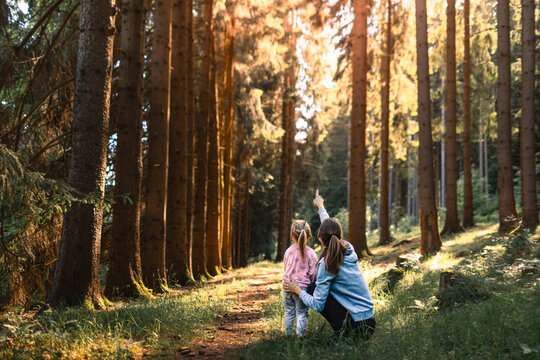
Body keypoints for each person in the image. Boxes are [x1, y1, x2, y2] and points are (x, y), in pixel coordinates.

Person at [283, 190, 376, 339]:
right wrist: (321, 207)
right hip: (369, 322)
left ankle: (344, 335)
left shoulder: (326, 265)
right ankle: (344, 333)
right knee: (318, 287)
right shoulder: (348, 247)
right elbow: (330, 229)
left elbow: (318, 305)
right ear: (340, 235)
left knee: (313, 287)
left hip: (356, 327)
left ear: (319, 237)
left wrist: (298, 290)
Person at [282, 220, 318, 336]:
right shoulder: (311, 253)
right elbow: (314, 274)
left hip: (287, 286)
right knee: (302, 313)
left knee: (289, 312)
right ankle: (300, 338)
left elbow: (285, 267)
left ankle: (288, 336)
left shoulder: (288, 251)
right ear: (310, 235)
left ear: (292, 235)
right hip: (301, 289)